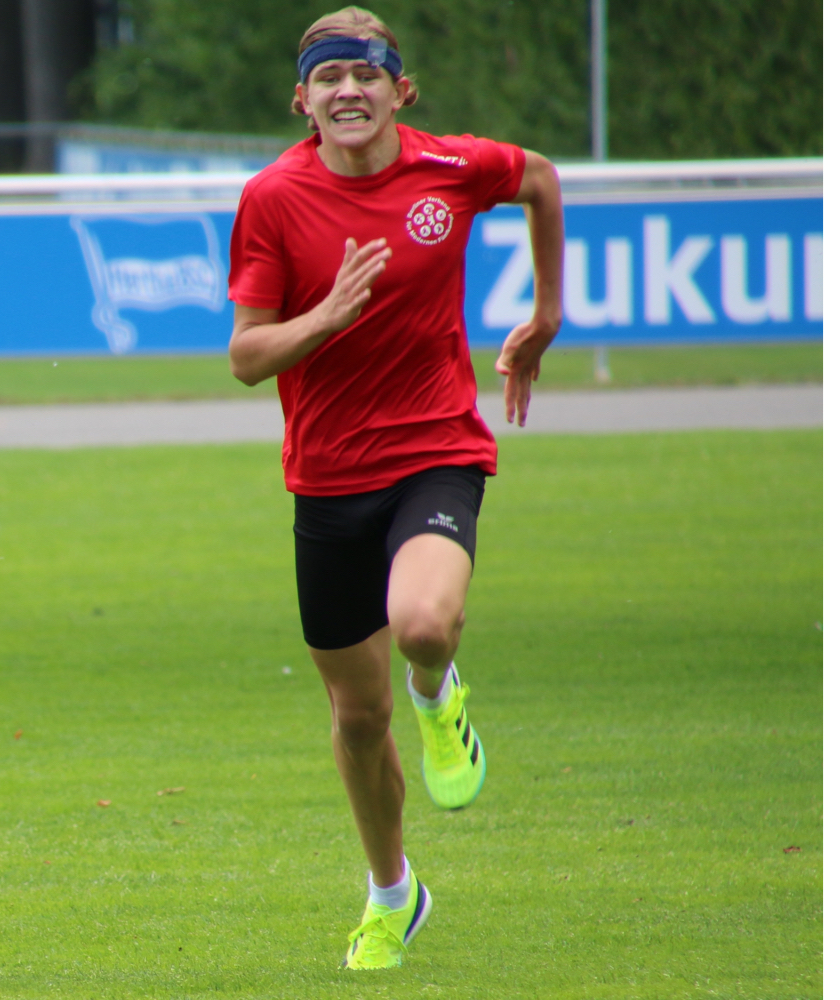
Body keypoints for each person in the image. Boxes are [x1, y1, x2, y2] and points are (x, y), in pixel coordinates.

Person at [225, 6, 564, 972]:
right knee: (356, 719)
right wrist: (327, 316)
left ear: (399, 91)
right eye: (328, 78)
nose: (348, 91)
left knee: (421, 623)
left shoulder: (450, 169)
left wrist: (545, 315)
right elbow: (247, 356)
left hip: (434, 450)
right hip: (327, 480)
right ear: (302, 101)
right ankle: (392, 893)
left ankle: (437, 688)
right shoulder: (272, 199)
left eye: (366, 75)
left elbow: (540, 179)